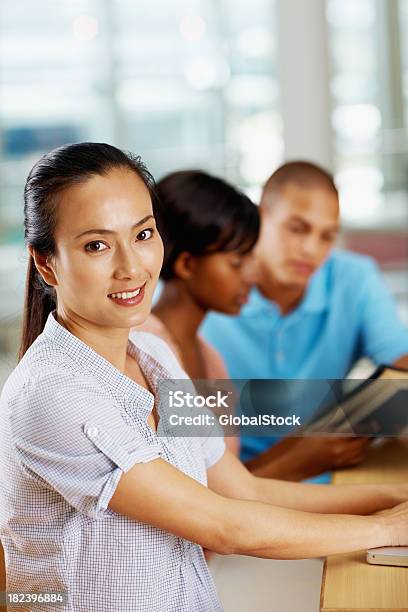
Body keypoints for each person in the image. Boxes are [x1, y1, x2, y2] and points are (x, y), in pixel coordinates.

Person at [1, 144, 408, 612]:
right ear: (45, 262)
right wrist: (388, 527)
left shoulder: (154, 355)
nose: (131, 267)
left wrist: (393, 497)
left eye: (143, 234)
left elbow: (242, 488)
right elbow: (224, 526)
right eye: (97, 244)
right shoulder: (52, 395)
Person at [202, 161, 408, 481]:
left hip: (330, 476)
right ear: (258, 217)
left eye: (327, 236)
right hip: (232, 483)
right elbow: (192, 467)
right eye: (297, 229)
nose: (311, 250)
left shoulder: (354, 276)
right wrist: (298, 457)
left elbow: (401, 364)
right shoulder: (206, 291)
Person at [137, 170, 260, 455]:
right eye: (237, 262)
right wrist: (301, 458)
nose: (252, 276)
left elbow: (228, 484)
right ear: (187, 265)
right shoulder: (142, 349)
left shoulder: (211, 359)